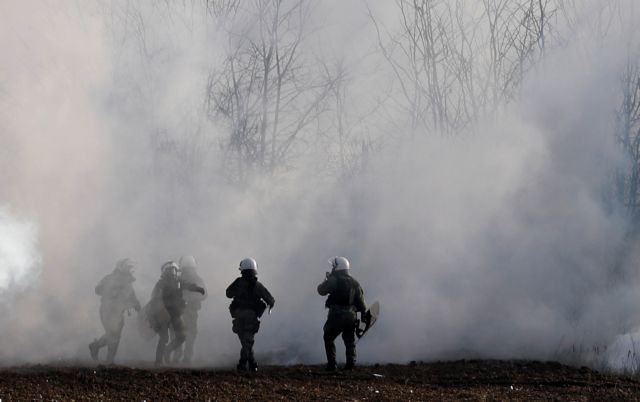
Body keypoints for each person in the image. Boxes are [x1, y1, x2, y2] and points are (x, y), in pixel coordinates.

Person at [150, 260, 205, 366]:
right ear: (165, 272)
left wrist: (198, 289)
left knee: (182, 336)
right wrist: (159, 312)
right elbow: (155, 299)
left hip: (175, 314)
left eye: (175, 270)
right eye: (171, 270)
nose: (173, 272)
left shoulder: (178, 282)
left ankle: (167, 350)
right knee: (164, 338)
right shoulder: (161, 284)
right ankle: (158, 361)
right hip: (163, 314)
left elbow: (188, 285)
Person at [317, 256, 367, 371]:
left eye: (333, 266)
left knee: (328, 337)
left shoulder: (334, 280)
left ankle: (332, 365)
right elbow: (362, 303)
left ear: (337, 267)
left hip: (337, 314)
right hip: (351, 315)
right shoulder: (355, 282)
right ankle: (351, 365)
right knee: (350, 340)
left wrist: (326, 280)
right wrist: (363, 317)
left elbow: (321, 291)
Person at [226, 257, 275, 372]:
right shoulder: (258, 286)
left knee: (246, 342)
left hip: (238, 315)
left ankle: (252, 364)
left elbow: (228, 293)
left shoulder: (237, 283)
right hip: (251, 317)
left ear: (242, 270)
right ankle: (242, 364)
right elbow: (271, 300)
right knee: (248, 342)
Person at [89, 258, 141, 364]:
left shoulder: (128, 283)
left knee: (115, 336)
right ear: (121, 267)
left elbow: (132, 296)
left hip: (119, 313)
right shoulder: (110, 278)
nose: (130, 269)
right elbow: (97, 289)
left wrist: (137, 305)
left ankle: (99, 349)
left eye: (131, 268)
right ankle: (109, 360)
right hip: (107, 310)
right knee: (112, 334)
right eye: (128, 267)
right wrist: (110, 289)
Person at [172, 255, 207, 364]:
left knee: (178, 333)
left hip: (178, 312)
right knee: (191, 334)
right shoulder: (197, 279)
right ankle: (186, 358)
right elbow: (204, 294)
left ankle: (177, 356)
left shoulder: (177, 278)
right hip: (190, 312)